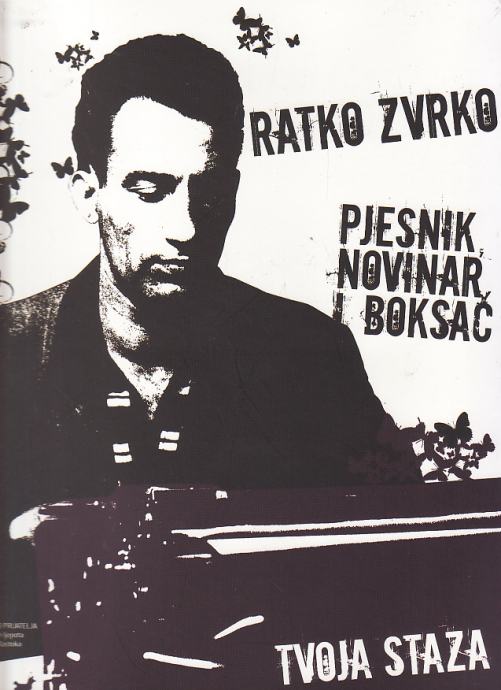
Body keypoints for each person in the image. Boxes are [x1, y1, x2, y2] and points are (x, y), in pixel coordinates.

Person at [1, 34, 420, 527]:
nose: (186, 229)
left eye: (209, 193)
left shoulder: (313, 356)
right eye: (149, 191)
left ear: (234, 193)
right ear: (88, 192)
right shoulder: (10, 353)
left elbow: (408, 546)